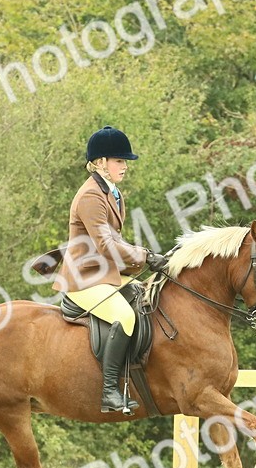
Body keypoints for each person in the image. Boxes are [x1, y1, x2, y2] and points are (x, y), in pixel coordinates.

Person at [53, 126, 169, 412]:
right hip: (84, 279)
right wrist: (144, 256)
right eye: (119, 160)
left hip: (103, 273)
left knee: (146, 298)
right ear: (101, 162)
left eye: (125, 161)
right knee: (124, 316)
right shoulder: (91, 196)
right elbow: (106, 245)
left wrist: (148, 258)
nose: (125, 166)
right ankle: (109, 393)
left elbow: (115, 241)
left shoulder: (112, 193)